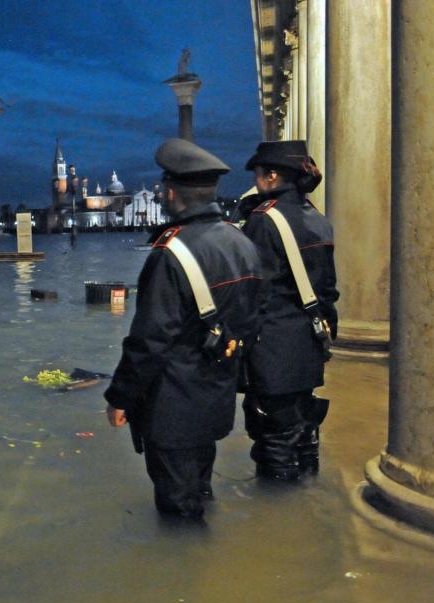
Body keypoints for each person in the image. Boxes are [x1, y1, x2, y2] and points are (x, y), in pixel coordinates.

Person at [105, 138, 262, 519]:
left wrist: (120, 397)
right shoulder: (241, 242)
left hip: (173, 405)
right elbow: (252, 316)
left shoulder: (170, 253)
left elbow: (149, 340)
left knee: (178, 508)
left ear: (171, 192)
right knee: (198, 487)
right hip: (217, 393)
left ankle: (185, 568)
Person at [240, 140, 339, 481]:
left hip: (273, 350)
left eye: (257, 174)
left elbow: (255, 295)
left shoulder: (263, 221)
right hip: (309, 344)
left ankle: (279, 519)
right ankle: (309, 502)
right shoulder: (319, 219)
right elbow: (328, 290)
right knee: (304, 429)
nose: (255, 182)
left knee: (273, 439)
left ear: (271, 176)